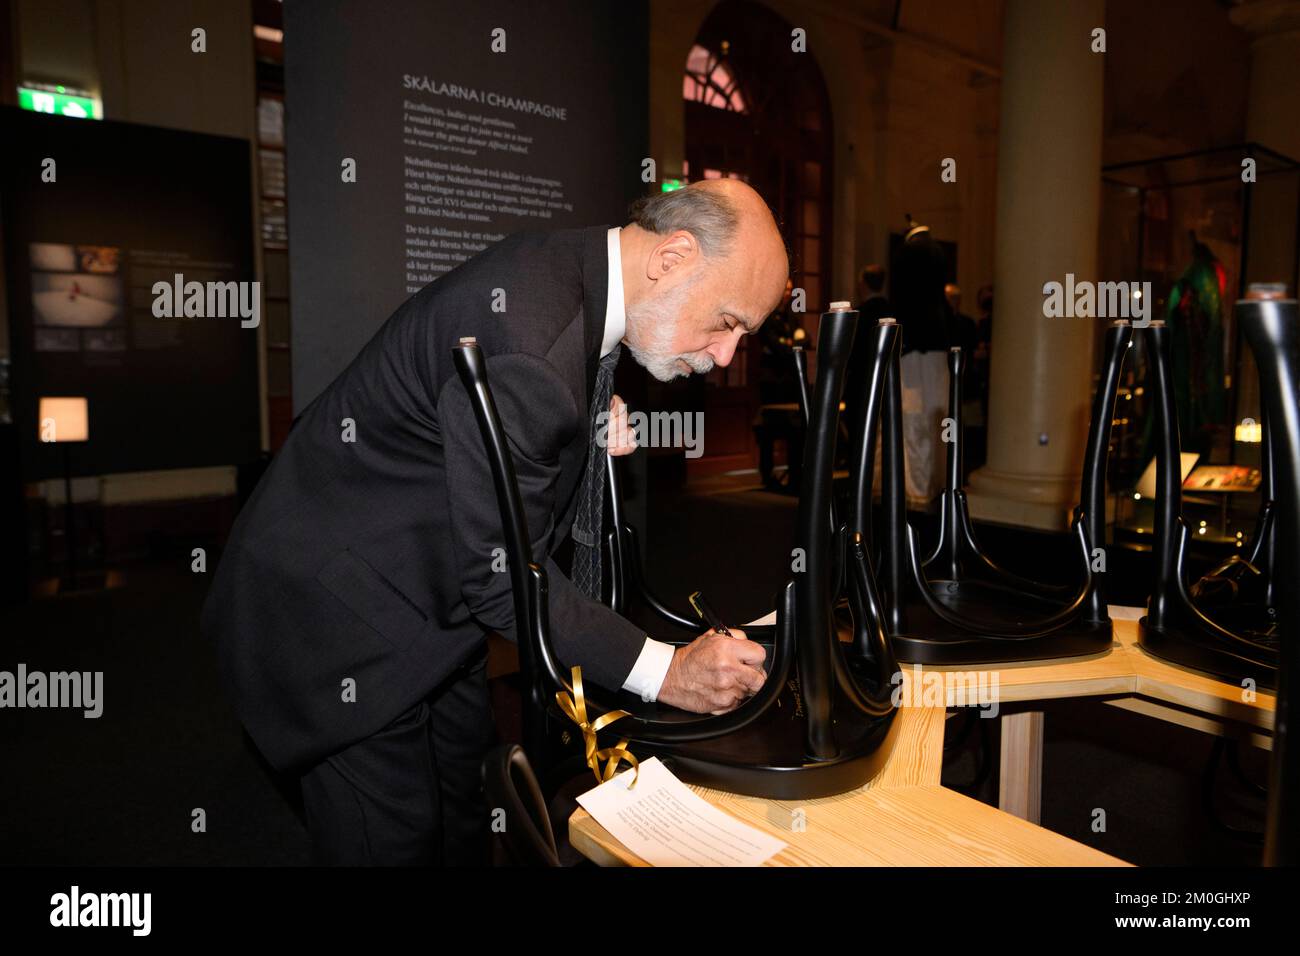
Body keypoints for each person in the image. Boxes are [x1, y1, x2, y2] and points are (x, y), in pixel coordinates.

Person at [200, 180, 789, 865]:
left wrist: (585, 421)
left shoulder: (573, 277)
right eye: (728, 321)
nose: (725, 356)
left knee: (467, 816)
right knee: (395, 845)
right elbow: (509, 581)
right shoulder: (531, 344)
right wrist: (668, 672)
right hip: (331, 624)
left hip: (426, 602)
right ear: (674, 256)